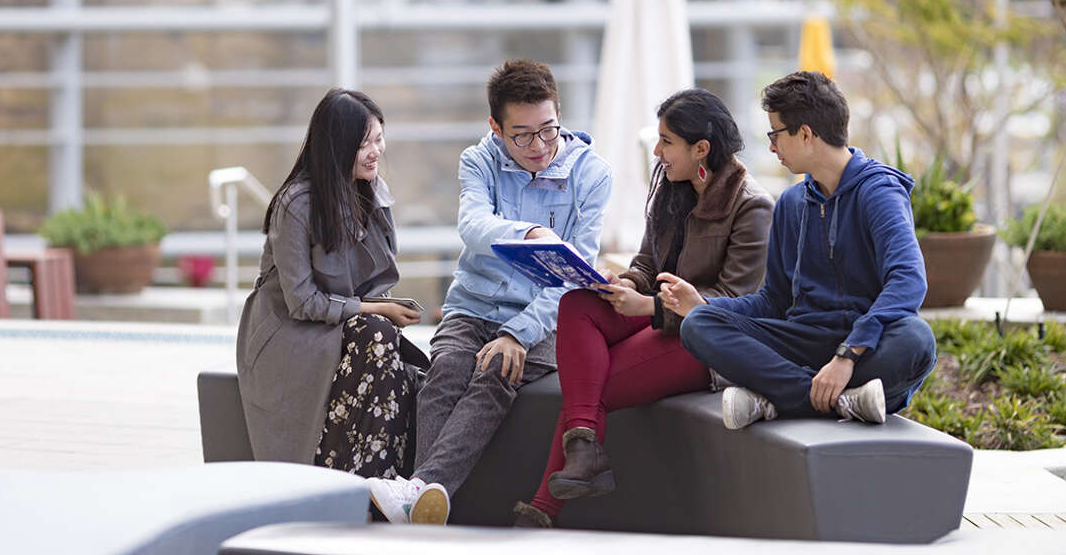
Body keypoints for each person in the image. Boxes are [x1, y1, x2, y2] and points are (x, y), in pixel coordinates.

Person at [510, 88, 774, 528]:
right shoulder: (673, 187)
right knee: (578, 303)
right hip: (657, 313)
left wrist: (648, 306)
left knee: (590, 386)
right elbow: (647, 263)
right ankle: (581, 459)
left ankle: (543, 511)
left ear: (701, 149)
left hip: (707, 339)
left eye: (667, 141)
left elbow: (734, 305)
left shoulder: (753, 207)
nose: (657, 151)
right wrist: (622, 284)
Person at [367, 59, 613, 524]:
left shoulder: (592, 174)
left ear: (558, 114)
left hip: (547, 317)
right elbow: (473, 225)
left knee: (496, 369)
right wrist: (530, 235)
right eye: (522, 134)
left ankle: (418, 491)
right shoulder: (477, 159)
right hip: (473, 305)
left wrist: (517, 334)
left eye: (549, 129)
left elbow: (572, 278)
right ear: (495, 127)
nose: (539, 146)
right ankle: (424, 500)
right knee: (445, 374)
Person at [670, 71, 936, 431]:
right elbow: (773, 300)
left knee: (916, 339)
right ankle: (840, 401)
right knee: (700, 324)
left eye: (775, 134)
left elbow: (908, 281)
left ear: (806, 134)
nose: (771, 147)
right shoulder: (791, 204)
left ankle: (780, 399)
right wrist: (704, 305)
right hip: (802, 340)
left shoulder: (879, 192)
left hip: (864, 346)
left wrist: (847, 354)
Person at [235, 88, 429, 481]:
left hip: (342, 326)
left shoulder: (370, 191)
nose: (377, 151)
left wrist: (385, 308)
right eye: (364, 144)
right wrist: (378, 310)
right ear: (337, 146)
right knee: (377, 333)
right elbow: (302, 302)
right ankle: (356, 479)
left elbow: (378, 278)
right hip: (290, 335)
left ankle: (376, 486)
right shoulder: (297, 203)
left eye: (379, 139)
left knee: (395, 360)